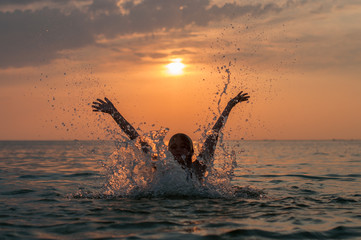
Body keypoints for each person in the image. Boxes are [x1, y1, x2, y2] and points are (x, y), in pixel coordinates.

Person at [92, 91, 250, 181]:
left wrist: (230, 105)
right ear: (167, 150)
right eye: (173, 147)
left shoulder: (199, 168)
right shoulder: (161, 166)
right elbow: (136, 138)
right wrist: (114, 113)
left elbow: (213, 136)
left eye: (183, 146)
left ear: (190, 150)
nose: (178, 150)